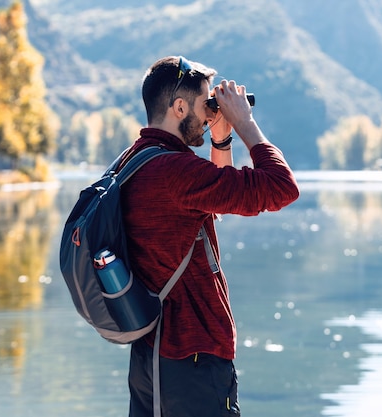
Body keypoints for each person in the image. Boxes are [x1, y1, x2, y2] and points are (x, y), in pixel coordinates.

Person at [120, 55, 299, 417]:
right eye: (206, 106)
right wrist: (246, 124)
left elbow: (210, 209)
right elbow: (281, 188)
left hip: (153, 357)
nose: (209, 115)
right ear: (180, 106)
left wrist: (221, 141)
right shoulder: (176, 171)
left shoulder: (137, 160)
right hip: (192, 360)